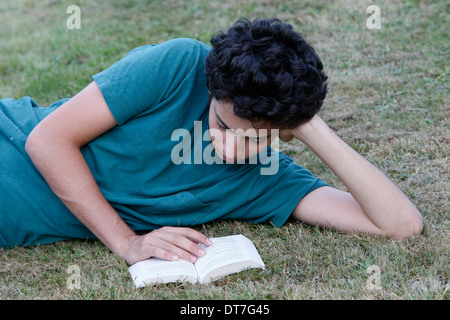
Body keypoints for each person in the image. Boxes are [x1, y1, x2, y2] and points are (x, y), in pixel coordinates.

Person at [0, 18, 422, 265]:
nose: (232, 151)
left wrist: (311, 126)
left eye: (260, 139)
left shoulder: (267, 180)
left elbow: (400, 225)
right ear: (214, 89)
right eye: (223, 126)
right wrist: (128, 242)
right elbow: (47, 141)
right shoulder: (180, 66)